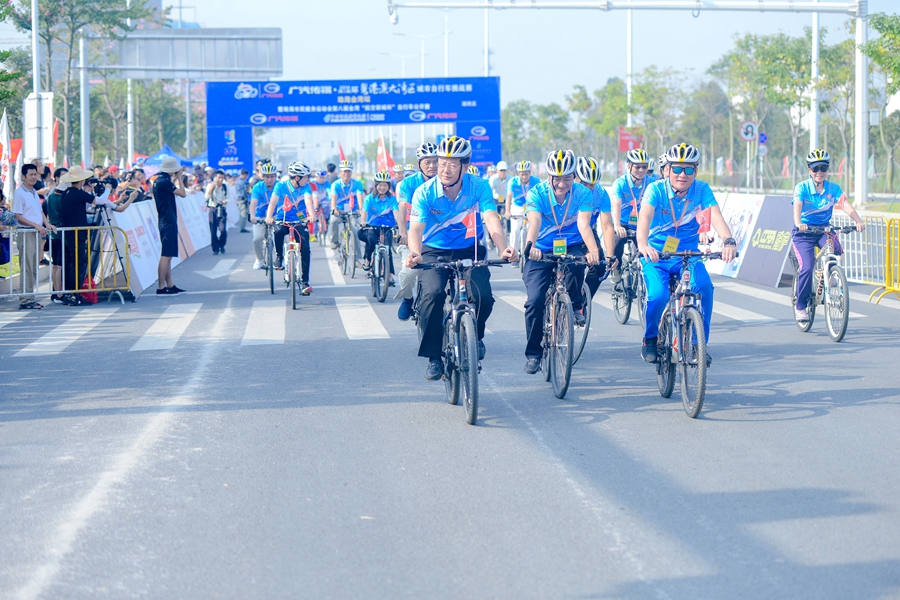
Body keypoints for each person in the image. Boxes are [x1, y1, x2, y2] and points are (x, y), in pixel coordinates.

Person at [405, 136, 517, 381]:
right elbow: (415, 228)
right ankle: (434, 357)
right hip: (433, 250)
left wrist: (504, 248)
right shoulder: (425, 192)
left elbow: (491, 219)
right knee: (432, 295)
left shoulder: (478, 187)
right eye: (441, 163)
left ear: (465, 167)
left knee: (483, 297)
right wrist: (415, 252)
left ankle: (476, 336)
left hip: (469, 249)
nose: (444, 169)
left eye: (452, 165)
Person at [637, 143, 737, 364]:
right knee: (658, 295)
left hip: (688, 255)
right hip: (657, 256)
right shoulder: (655, 189)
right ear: (668, 170)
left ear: (696, 171)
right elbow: (644, 218)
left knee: (705, 288)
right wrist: (643, 245)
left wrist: (728, 241)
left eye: (689, 169)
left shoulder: (701, 189)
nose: (682, 174)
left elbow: (716, 216)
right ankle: (650, 337)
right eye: (677, 169)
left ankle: (697, 344)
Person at [521, 150, 601, 374]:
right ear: (549, 177)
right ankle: (534, 354)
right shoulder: (536, 193)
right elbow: (534, 221)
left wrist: (594, 252)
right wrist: (531, 246)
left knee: (577, 265)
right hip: (540, 248)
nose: (562, 183)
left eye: (567, 178)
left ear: (574, 176)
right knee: (535, 300)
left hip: (571, 245)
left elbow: (584, 225)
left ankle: (574, 304)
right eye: (557, 178)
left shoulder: (583, 194)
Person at [791, 149, 865, 322]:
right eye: (815, 168)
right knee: (807, 267)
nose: (819, 172)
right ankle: (801, 306)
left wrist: (858, 220)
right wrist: (798, 223)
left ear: (827, 169)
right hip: (804, 232)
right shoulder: (802, 187)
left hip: (824, 229)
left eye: (823, 168)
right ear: (809, 170)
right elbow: (798, 206)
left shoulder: (833, 188)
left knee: (837, 250)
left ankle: (829, 274)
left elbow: (845, 205)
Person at [394, 142, 439, 320]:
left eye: (436, 161)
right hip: (413, 236)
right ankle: (407, 298)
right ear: (419, 163)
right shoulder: (408, 183)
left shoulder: (446, 181)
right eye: (427, 162)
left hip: (438, 238)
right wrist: (403, 232)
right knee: (408, 273)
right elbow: (402, 207)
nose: (432, 166)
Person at [266, 161, 315, 295]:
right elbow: (273, 203)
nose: (307, 179)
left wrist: (311, 215)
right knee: (278, 231)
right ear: (297, 178)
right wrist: (269, 217)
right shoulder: (280, 186)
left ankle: (305, 281)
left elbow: (309, 202)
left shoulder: (306, 187)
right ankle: (279, 256)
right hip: (283, 219)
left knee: (305, 248)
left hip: (299, 221)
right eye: (305, 177)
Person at [574, 156, 617, 298]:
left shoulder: (601, 194)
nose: (589, 188)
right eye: (585, 184)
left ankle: (583, 301)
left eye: (592, 185)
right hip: (565, 233)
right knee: (574, 266)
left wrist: (610, 255)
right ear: (575, 178)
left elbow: (606, 226)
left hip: (588, 233)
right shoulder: (568, 191)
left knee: (600, 266)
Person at [14, 163, 55, 309]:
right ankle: (25, 301)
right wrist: (36, 225)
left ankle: (30, 298)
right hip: (26, 233)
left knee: (33, 267)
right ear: (23, 176)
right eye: (30, 175)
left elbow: (40, 212)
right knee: (26, 267)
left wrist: (46, 224)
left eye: (35, 174)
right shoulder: (20, 193)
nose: (33, 177)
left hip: (36, 233)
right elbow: (17, 215)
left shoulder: (33, 192)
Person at [610, 148, 652, 289]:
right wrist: (616, 225)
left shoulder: (651, 184)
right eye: (637, 166)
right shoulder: (620, 183)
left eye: (644, 167)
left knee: (647, 249)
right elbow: (616, 204)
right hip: (622, 222)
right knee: (616, 242)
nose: (641, 170)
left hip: (641, 224)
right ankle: (616, 269)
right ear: (629, 166)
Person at [58, 166, 98, 305]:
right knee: (77, 264)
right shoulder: (77, 193)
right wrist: (109, 189)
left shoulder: (67, 192)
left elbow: (75, 210)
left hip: (70, 233)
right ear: (82, 180)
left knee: (71, 264)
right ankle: (75, 294)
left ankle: (71, 293)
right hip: (76, 234)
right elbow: (99, 201)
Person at [153, 156, 187, 295]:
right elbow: (183, 193)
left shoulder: (159, 181)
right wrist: (179, 178)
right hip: (167, 221)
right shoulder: (164, 182)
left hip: (166, 219)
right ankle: (161, 286)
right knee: (166, 255)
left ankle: (169, 284)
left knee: (168, 255)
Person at [358, 171, 401, 276]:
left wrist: (400, 225)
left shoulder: (392, 199)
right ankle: (367, 259)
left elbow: (396, 213)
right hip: (372, 226)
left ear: (389, 186)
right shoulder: (369, 198)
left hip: (387, 227)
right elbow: (364, 212)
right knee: (371, 241)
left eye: (385, 185)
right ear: (376, 185)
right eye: (380, 185)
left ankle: (389, 274)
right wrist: (363, 221)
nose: (382, 188)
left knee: (388, 248)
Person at [44, 168, 69, 303]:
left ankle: (57, 292)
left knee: (57, 265)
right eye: (64, 176)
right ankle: (58, 294)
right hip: (58, 234)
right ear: (57, 179)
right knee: (58, 265)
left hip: (57, 234)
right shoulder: (55, 195)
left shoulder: (56, 194)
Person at [329, 160, 364, 253]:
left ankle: (356, 258)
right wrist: (334, 209)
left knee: (356, 230)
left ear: (351, 172)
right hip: (339, 210)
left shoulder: (357, 184)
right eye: (344, 171)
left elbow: (360, 197)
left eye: (348, 171)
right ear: (340, 172)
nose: (346, 173)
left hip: (352, 210)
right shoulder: (335, 185)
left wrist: (361, 209)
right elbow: (333, 199)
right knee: (333, 221)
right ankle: (335, 241)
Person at [505, 160, 540, 253]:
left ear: (530, 173)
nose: (524, 177)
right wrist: (507, 211)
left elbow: (540, 197)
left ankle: (530, 252)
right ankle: (514, 254)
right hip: (517, 207)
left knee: (532, 229)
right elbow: (508, 197)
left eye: (526, 174)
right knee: (515, 230)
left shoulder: (536, 181)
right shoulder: (513, 181)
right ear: (518, 173)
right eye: (522, 174)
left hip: (531, 207)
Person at [249, 162, 279, 270]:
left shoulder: (280, 186)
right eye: (267, 176)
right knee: (257, 239)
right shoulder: (257, 187)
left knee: (281, 235)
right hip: (260, 217)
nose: (269, 179)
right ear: (263, 176)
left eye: (272, 176)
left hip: (276, 216)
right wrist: (252, 216)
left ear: (275, 176)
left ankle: (281, 257)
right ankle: (259, 259)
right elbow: (253, 203)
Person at [205, 169, 229, 255]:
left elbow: (228, 197)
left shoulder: (225, 187)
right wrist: (212, 187)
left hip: (222, 209)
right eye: (219, 177)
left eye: (222, 178)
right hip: (213, 208)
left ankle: (221, 245)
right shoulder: (210, 185)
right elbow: (206, 196)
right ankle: (215, 248)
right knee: (213, 229)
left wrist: (224, 201)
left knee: (223, 230)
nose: (220, 180)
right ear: (215, 177)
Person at [235, 168, 251, 233]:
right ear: (244, 174)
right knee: (243, 214)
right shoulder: (242, 182)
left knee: (243, 214)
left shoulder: (240, 181)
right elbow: (245, 191)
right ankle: (242, 228)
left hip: (242, 199)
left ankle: (243, 227)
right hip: (242, 200)